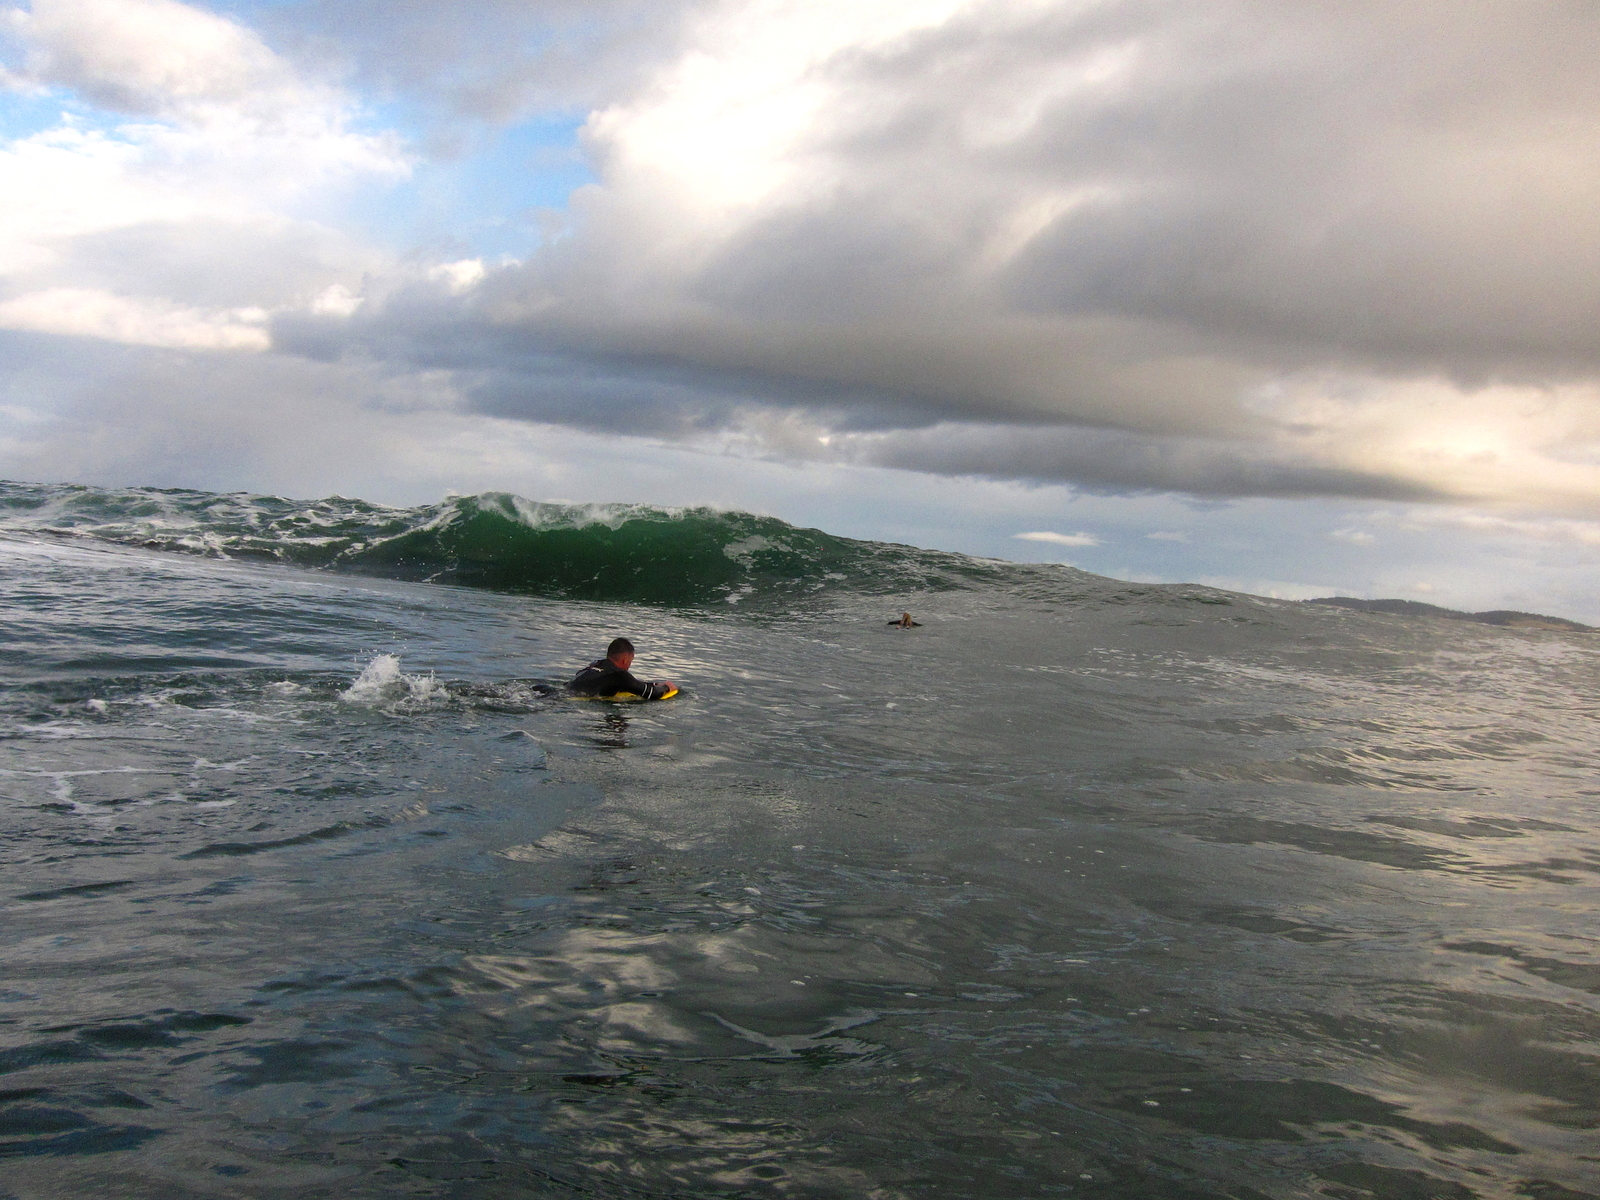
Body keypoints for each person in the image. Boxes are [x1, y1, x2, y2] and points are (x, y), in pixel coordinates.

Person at [569, 637, 677, 700]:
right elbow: (652, 694)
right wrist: (667, 687)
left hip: (566, 692)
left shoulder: (592, 667)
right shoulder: (619, 675)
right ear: (625, 659)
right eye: (631, 660)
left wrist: (653, 684)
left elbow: (630, 684)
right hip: (574, 701)